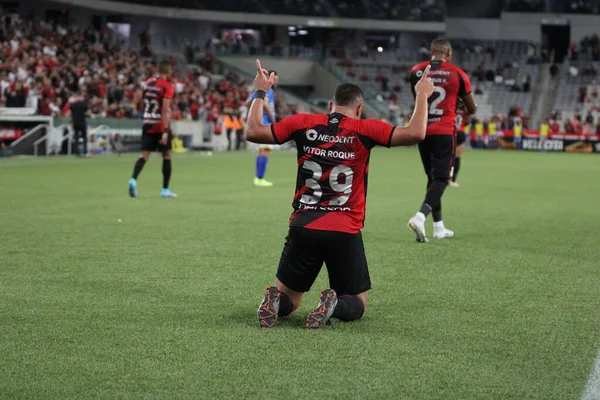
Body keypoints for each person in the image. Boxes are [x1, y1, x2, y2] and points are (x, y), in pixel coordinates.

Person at [246, 60, 435, 329]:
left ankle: (276, 300)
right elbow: (416, 133)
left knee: (291, 299)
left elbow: (253, 132)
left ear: (330, 105)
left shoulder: (302, 122)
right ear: (359, 109)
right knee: (357, 302)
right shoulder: (366, 129)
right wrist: (423, 95)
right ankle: (334, 304)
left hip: (303, 225)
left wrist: (261, 92)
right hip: (344, 228)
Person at [408, 38, 477, 243]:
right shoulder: (457, 74)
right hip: (444, 131)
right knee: (442, 179)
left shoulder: (416, 71)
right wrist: (460, 106)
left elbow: (419, 98)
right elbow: (472, 108)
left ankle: (438, 227)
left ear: (432, 51)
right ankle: (420, 217)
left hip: (421, 130)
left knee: (432, 178)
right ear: (448, 52)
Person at [128, 61, 177, 198]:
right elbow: (165, 109)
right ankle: (165, 190)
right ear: (168, 72)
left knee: (144, 155)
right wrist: (165, 131)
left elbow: (139, 98)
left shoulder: (147, 83)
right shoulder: (167, 86)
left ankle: (133, 180)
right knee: (167, 155)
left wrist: (145, 113)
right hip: (160, 124)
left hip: (147, 121)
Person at [251, 70, 278, 187]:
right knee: (265, 150)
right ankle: (259, 178)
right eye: (275, 79)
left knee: (262, 150)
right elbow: (266, 104)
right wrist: (272, 119)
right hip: (266, 123)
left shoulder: (258, 91)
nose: (276, 81)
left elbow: (248, 102)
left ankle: (258, 177)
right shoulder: (268, 90)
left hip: (259, 121)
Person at [450, 103, 470, 188]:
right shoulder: (465, 110)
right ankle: (453, 181)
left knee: (448, 157)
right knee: (457, 158)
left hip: (450, 132)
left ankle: (444, 178)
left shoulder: (451, 108)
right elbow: (467, 122)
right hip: (460, 132)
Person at [68, 91, 90, 157]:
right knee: (84, 138)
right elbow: (88, 113)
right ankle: (85, 152)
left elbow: (70, 113)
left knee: (76, 138)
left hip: (75, 123)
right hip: (82, 122)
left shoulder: (72, 104)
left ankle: (77, 153)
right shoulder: (84, 104)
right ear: (80, 96)